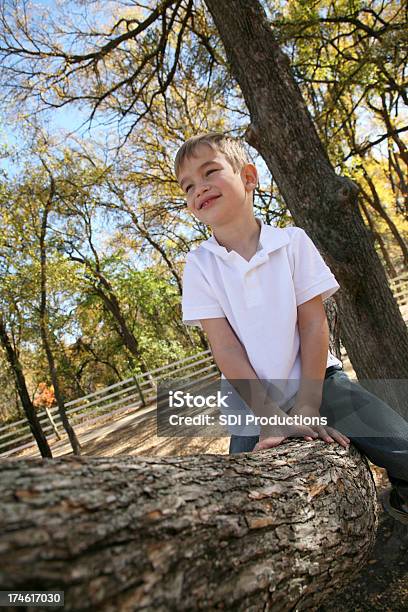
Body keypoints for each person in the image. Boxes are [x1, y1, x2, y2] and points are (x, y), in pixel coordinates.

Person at [175, 132, 408, 524]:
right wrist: (269, 416)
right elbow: (225, 349)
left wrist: (308, 405)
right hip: (252, 403)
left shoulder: (292, 242)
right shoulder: (200, 265)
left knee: (403, 445)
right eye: (188, 186)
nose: (199, 189)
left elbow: (314, 324)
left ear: (249, 177)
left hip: (321, 382)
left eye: (210, 172)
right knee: (245, 503)